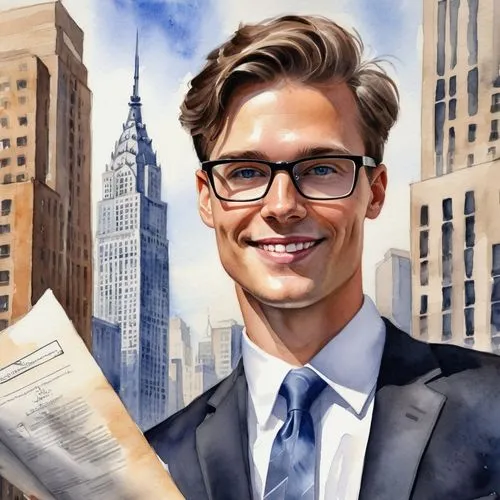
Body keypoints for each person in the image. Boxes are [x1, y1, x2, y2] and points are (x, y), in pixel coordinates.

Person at [146, 14, 500, 500]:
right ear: (208, 199)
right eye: (246, 172)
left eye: (321, 169)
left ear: (374, 192)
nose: (283, 206)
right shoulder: (157, 463)